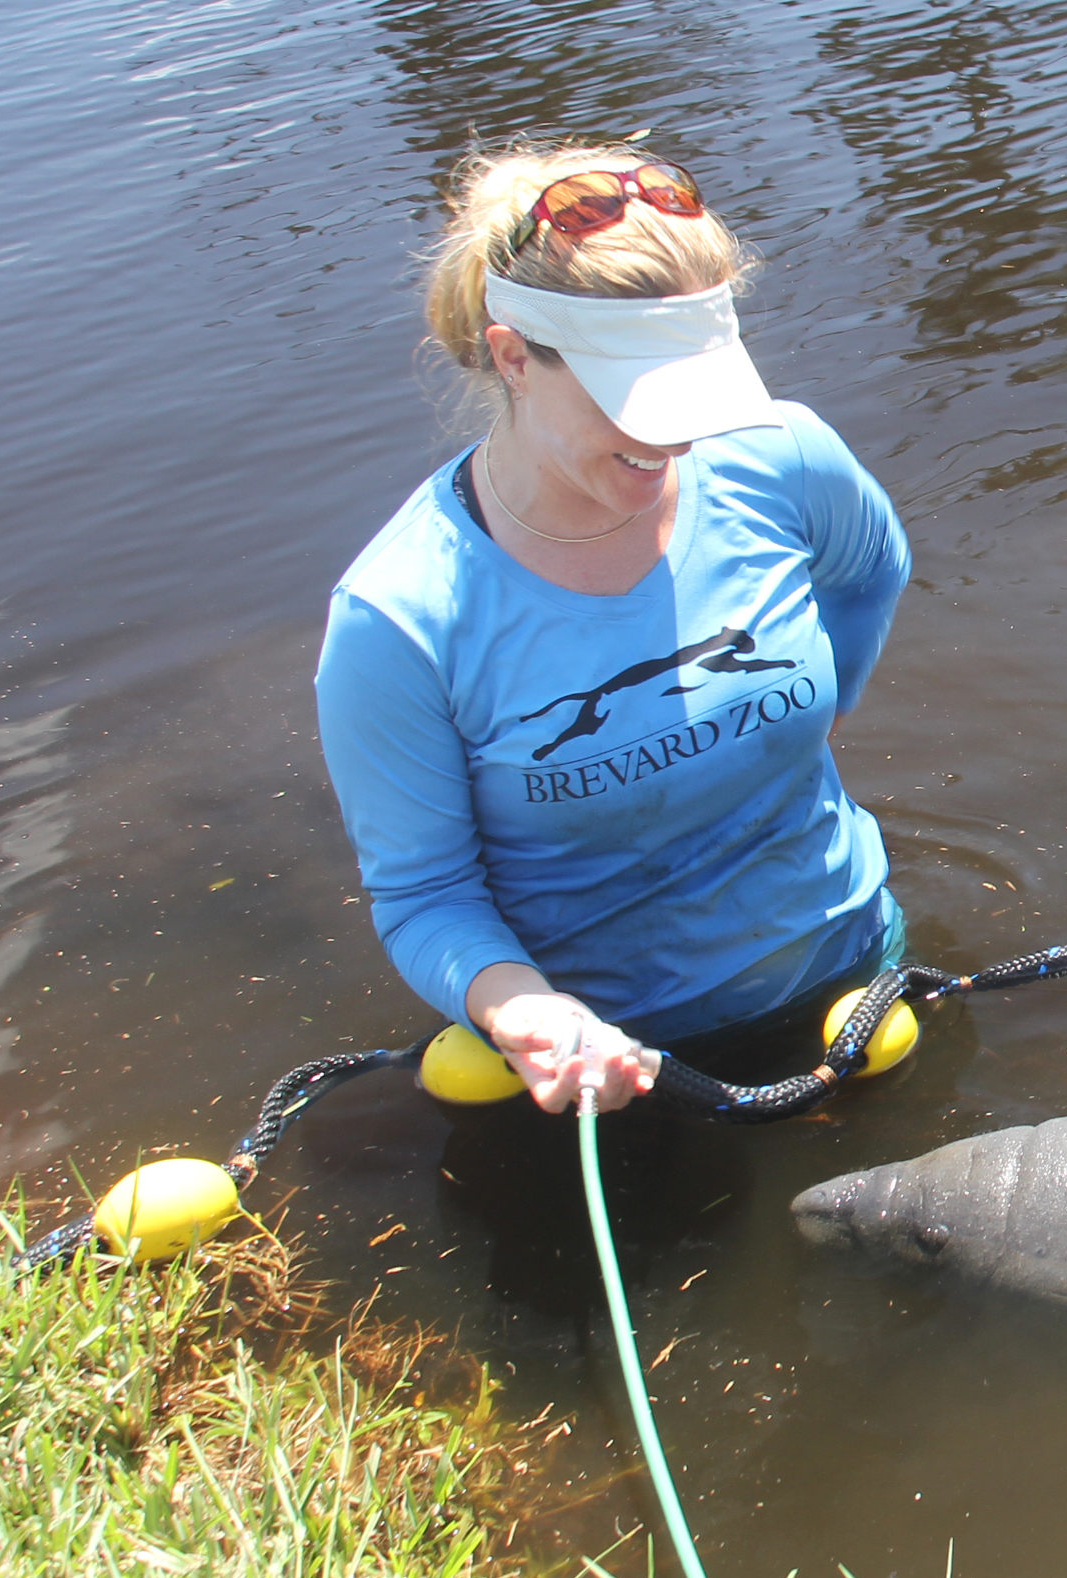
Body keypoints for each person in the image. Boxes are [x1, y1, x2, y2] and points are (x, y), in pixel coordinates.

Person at [316, 143, 911, 1115]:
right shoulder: (401, 619)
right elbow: (425, 895)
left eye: (698, 392)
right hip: (614, 1072)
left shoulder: (779, 458)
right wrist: (527, 1014)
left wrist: (812, 706)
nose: (676, 439)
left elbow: (872, 571)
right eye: (638, 402)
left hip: (856, 976)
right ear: (514, 356)